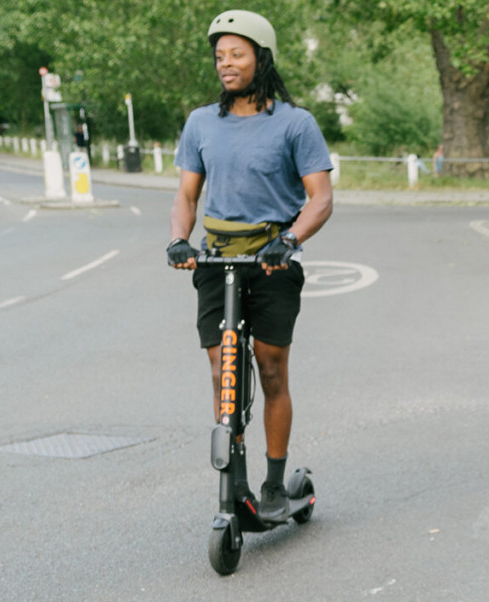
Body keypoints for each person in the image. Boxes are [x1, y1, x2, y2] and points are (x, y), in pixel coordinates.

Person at [167, 9, 333, 522]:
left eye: (236, 54)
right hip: (217, 260)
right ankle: (232, 483)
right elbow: (186, 194)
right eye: (219, 56)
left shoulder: (295, 123)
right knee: (224, 373)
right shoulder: (201, 122)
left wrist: (290, 240)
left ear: (261, 58)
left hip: (271, 262)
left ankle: (275, 481)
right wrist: (178, 239)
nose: (226, 64)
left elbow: (320, 198)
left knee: (271, 368)